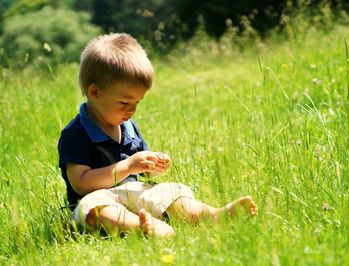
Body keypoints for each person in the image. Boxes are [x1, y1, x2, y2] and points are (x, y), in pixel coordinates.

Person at [58, 33, 258, 238]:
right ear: (95, 93)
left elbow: (143, 171)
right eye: (125, 102)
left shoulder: (129, 127)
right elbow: (81, 183)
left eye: (138, 102)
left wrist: (152, 165)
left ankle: (214, 216)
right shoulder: (76, 133)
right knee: (98, 209)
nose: (132, 110)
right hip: (96, 198)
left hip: (134, 194)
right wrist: (128, 166)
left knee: (167, 194)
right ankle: (140, 227)